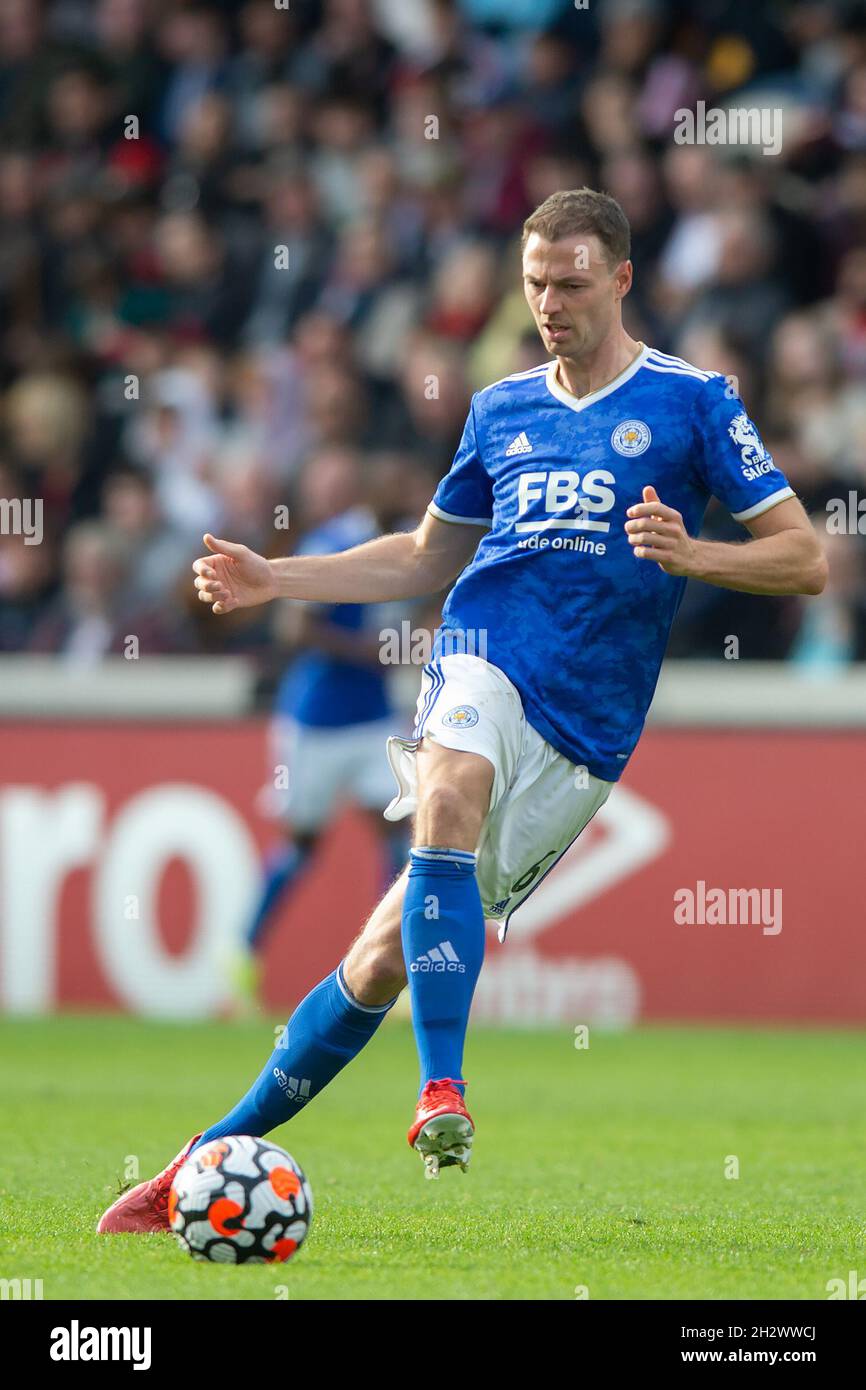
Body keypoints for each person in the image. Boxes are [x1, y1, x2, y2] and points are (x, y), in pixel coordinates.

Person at [98, 188, 826, 1231]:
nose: (548, 303)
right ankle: (441, 1087)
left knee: (381, 956)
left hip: (587, 731)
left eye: (569, 282)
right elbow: (427, 557)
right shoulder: (500, 408)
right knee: (447, 786)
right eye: (533, 282)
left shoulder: (694, 403)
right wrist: (277, 578)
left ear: (620, 279)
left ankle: (201, 1156)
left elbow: (802, 557)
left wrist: (690, 553)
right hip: (482, 653)